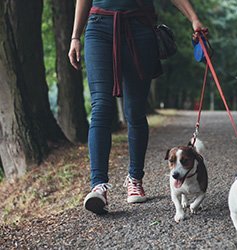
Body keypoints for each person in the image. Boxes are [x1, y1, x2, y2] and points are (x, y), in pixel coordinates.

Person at [68, 0, 208, 215]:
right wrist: (75, 36)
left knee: (134, 110)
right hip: (99, 27)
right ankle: (98, 187)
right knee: (101, 107)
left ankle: (135, 179)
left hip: (139, 27)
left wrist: (194, 19)